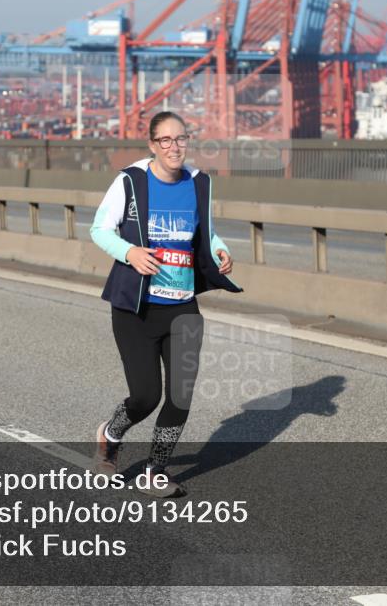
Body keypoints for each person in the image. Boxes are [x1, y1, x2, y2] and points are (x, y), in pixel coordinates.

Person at [89, 111, 243, 497]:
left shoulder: (198, 183)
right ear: (152, 145)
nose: (174, 147)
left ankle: (156, 470)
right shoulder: (131, 181)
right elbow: (99, 229)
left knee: (180, 394)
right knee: (146, 397)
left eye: (181, 139)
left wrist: (220, 249)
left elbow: (205, 230)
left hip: (181, 305)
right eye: (165, 141)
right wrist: (129, 253)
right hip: (136, 307)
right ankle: (110, 435)